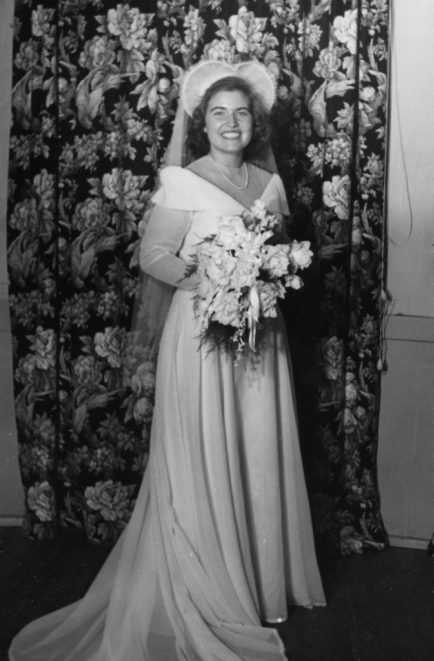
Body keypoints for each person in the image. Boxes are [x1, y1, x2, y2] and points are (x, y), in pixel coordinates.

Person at [9, 59, 325, 661]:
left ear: (255, 123)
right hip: (204, 331)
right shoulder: (183, 181)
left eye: (240, 114)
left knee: (256, 443)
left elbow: (279, 253)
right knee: (206, 446)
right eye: (218, 114)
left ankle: (258, 583)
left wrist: (264, 276)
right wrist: (215, 280)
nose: (230, 123)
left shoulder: (269, 184)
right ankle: (211, 584)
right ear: (202, 123)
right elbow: (153, 255)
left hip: (261, 333)